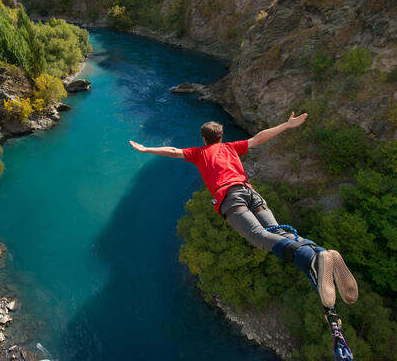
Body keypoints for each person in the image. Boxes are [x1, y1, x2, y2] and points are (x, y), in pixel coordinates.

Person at [129, 112, 358, 307]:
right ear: (221, 136)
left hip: (229, 197)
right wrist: (287, 125)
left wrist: (147, 149)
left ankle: (311, 260)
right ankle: (319, 251)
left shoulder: (199, 153)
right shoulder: (230, 147)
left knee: (259, 237)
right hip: (251, 192)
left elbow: (174, 150)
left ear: (204, 139)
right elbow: (259, 138)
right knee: (278, 232)